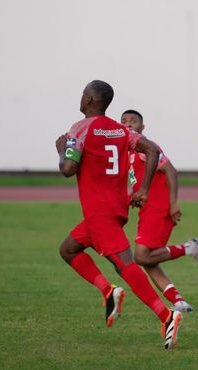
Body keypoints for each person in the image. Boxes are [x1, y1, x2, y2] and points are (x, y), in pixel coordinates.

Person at [55, 80, 181, 350]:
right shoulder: (120, 130)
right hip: (115, 206)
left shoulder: (79, 129)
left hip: (99, 210)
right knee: (68, 249)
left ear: (89, 99)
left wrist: (60, 150)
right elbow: (153, 149)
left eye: (83, 94)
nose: (81, 98)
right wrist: (144, 188)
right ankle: (107, 290)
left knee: (125, 265)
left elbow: (68, 169)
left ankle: (167, 315)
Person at [120, 109, 198, 313]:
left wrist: (173, 203)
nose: (128, 124)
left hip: (158, 206)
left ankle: (190, 248)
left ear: (142, 127)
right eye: (123, 121)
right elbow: (137, 181)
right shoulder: (129, 153)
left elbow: (171, 170)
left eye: (133, 121)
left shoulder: (147, 148)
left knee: (141, 257)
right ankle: (178, 301)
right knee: (149, 259)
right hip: (147, 209)